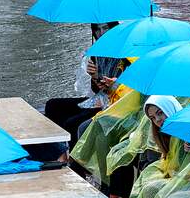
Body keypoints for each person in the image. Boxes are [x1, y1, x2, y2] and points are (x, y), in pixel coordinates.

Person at [39, 22, 126, 159]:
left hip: (114, 104)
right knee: (53, 105)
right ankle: (57, 154)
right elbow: (97, 89)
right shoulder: (98, 52)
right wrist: (95, 77)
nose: (101, 33)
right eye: (97, 29)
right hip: (99, 99)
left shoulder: (125, 54)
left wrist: (107, 82)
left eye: (105, 28)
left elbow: (125, 90)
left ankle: (75, 164)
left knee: (72, 123)